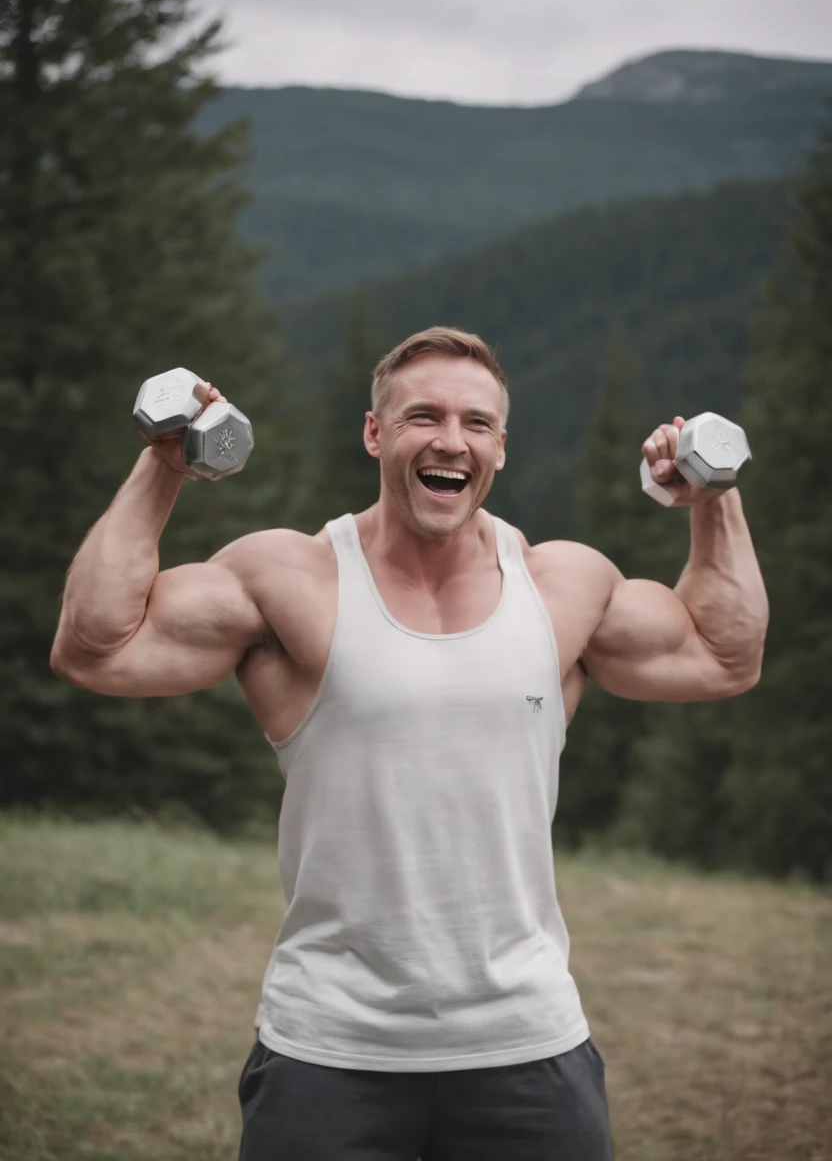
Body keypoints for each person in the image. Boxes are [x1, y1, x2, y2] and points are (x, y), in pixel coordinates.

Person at [50, 326, 768, 1161]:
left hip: (527, 1043)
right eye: (423, 416)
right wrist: (167, 460)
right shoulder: (290, 579)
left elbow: (726, 655)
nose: (451, 441)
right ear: (375, 433)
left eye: (476, 423)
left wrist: (714, 493)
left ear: (500, 446)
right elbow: (95, 647)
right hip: (329, 1050)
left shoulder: (563, 587)